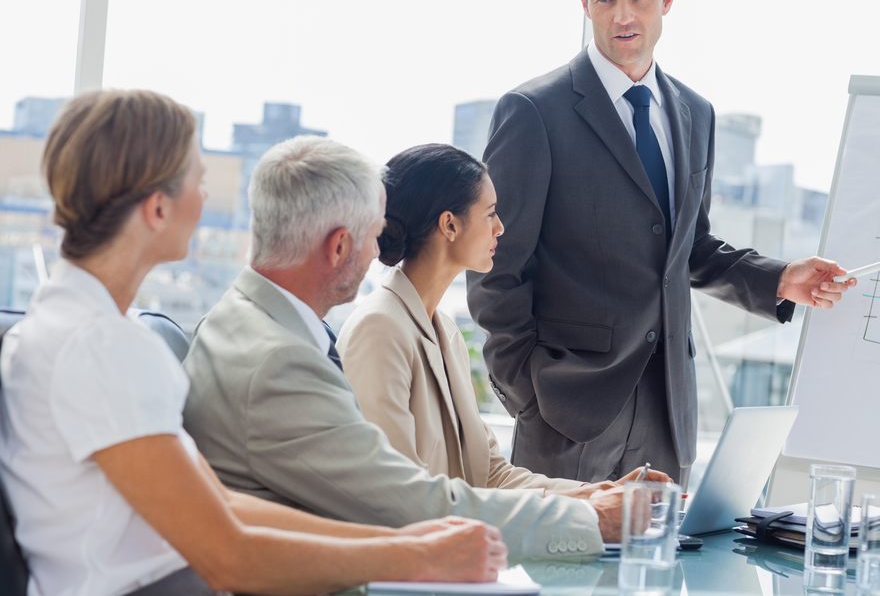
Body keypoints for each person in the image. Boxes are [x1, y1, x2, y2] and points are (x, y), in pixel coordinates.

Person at [0, 90, 506, 596]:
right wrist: (414, 556)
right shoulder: (102, 347)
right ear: (157, 208)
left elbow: (219, 504)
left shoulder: (79, 323)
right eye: (198, 182)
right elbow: (228, 556)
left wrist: (409, 543)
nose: (206, 199)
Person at [466, 0, 856, 488]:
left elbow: (687, 248)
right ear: (585, 5)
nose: (623, 15)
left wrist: (781, 278)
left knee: (656, 570)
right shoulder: (535, 111)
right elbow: (494, 266)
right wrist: (529, 394)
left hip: (667, 408)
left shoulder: (695, 113)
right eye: (605, 0)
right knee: (558, 569)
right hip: (568, 411)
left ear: (667, 0)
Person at [182, 135, 625, 559]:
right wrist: (588, 518)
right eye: (374, 234)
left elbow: (480, 473)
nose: (381, 249)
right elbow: (403, 503)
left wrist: (594, 497)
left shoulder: (249, 325)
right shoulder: (287, 358)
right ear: (339, 246)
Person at [338, 144, 669, 491]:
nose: (500, 228)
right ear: (449, 225)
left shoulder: (444, 331)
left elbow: (490, 473)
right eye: (490, 213)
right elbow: (399, 493)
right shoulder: (379, 330)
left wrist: (597, 493)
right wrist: (590, 515)